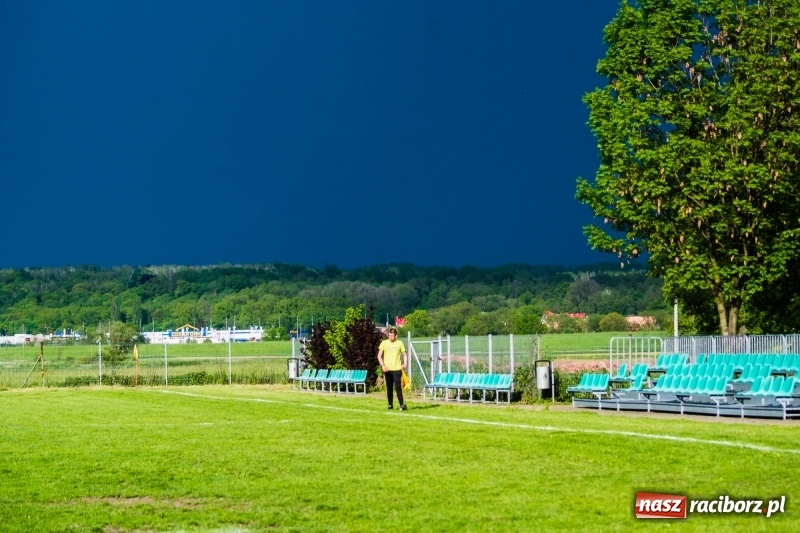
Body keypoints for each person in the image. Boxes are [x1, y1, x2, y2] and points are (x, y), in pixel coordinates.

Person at [377, 327, 408, 410]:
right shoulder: (384, 343)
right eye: (389, 335)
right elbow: (379, 356)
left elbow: (404, 355)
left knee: (398, 387)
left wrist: (405, 363)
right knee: (389, 387)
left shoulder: (400, 343)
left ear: (396, 336)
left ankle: (401, 404)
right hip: (387, 369)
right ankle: (390, 404)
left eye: (392, 336)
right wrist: (383, 365)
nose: (390, 337)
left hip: (397, 369)